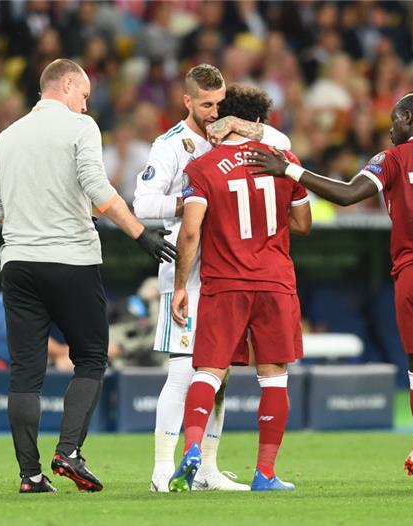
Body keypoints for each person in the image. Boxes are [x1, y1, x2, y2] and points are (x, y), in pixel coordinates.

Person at [247, 89, 413, 491]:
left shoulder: (392, 159)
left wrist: (290, 170)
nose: (389, 131)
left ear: (409, 118)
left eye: (393, 122)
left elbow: (348, 194)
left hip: (409, 276)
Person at [0, 58, 176, 495]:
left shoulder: (7, 136)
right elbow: (97, 189)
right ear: (67, 84)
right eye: (85, 96)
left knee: (25, 372)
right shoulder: (80, 128)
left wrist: (34, 220)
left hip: (18, 263)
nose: (87, 106)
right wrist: (140, 234)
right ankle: (68, 451)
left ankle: (30, 476)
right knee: (91, 356)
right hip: (72, 260)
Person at [133, 64, 293, 493]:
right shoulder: (170, 145)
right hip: (186, 272)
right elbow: (143, 203)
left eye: (220, 103)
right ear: (187, 101)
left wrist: (245, 126)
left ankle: (206, 468)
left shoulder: (236, 137)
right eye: (206, 105)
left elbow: (283, 145)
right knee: (183, 372)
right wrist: (192, 203)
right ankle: (162, 469)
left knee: (218, 376)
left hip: (230, 273)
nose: (214, 112)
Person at [168, 84, 312, 492]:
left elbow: (190, 231)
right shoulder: (283, 160)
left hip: (224, 283)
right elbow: (303, 224)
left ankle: (191, 450)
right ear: (259, 122)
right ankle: (265, 473)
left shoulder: (202, 168)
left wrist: (181, 286)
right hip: (274, 281)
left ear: (222, 118)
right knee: (274, 377)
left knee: (208, 371)